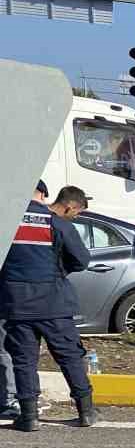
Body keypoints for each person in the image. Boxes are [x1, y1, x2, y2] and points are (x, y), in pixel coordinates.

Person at [2, 185, 95, 431]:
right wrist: (58, 271)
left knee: (24, 360)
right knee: (69, 357)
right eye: (76, 213)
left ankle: (30, 416)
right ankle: (86, 412)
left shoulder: (7, 219)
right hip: (53, 304)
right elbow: (82, 260)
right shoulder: (57, 223)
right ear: (69, 206)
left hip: (16, 304)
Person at [0, 179, 47, 418]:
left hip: (14, 298)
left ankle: (20, 400)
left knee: (15, 351)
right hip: (19, 300)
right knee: (14, 351)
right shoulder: (45, 221)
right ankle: (14, 400)